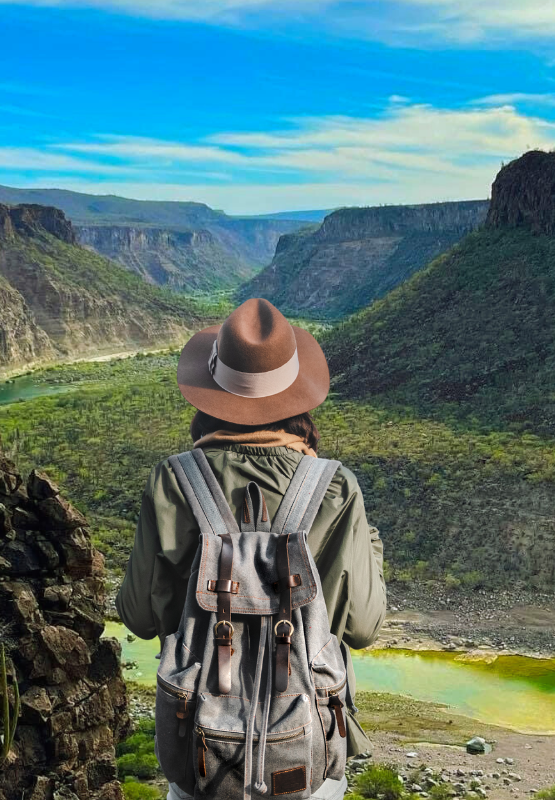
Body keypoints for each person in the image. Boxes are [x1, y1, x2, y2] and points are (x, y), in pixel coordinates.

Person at [116, 297, 387, 775]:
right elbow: (363, 628)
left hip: (198, 751)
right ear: (296, 397)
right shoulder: (334, 487)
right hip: (307, 749)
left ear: (209, 394)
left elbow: (137, 616)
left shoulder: (172, 481)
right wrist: (372, 548)